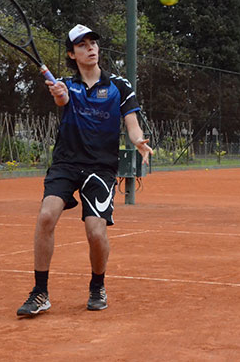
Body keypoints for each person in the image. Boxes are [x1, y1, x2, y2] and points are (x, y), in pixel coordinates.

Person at [17, 24, 153, 316]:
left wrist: (139, 141)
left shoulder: (120, 86)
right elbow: (62, 100)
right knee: (45, 217)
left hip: (101, 167)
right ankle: (40, 293)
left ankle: (97, 284)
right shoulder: (66, 84)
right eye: (82, 45)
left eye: (93, 43)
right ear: (72, 53)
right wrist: (59, 94)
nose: (90, 48)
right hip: (66, 163)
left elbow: (132, 125)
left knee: (95, 232)